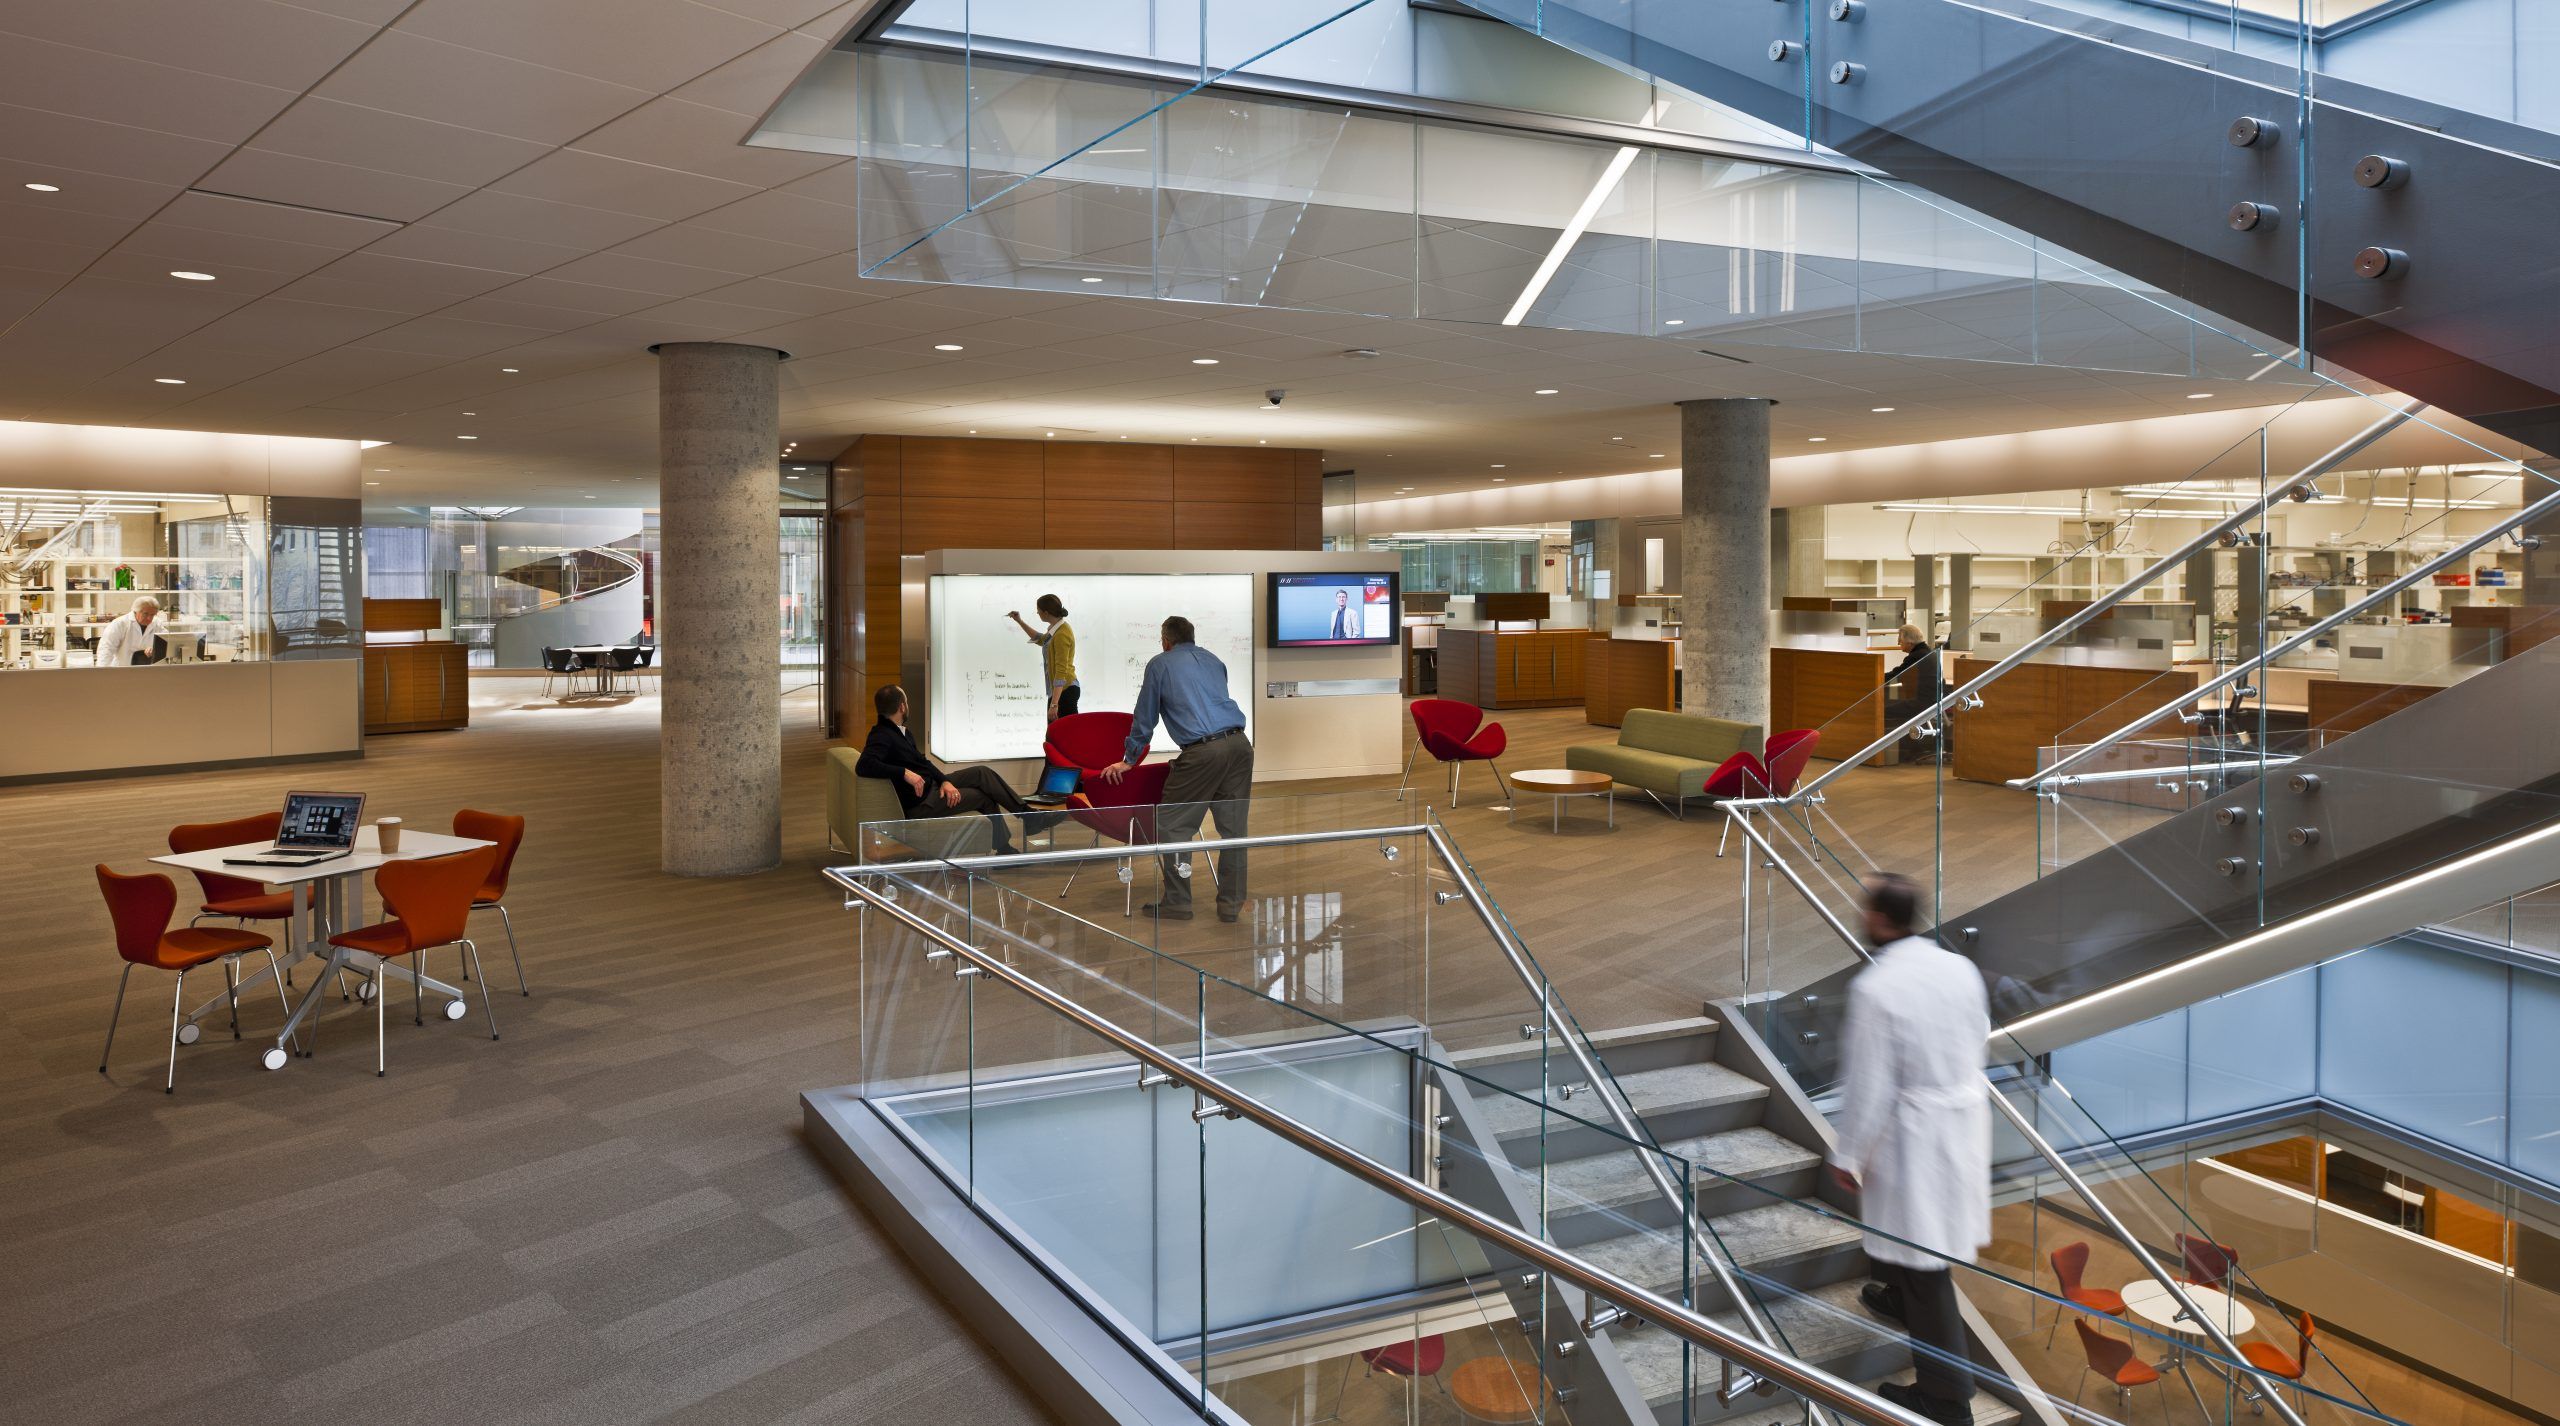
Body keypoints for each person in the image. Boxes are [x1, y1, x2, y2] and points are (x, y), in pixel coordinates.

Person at [1830, 872, 1991, 1426]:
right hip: (1959, 1120)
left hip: (1913, 1132)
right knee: (1919, 1246)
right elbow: (1979, 1036)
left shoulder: (1877, 987)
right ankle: (1896, 1294)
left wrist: (1848, 1154)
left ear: (1878, 918)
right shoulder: (1958, 966)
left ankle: (1946, 1399)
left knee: (1926, 1269)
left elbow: (1869, 1082)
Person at [1100, 615, 1251, 923]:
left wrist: (1129, 759)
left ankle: (1178, 902)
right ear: (1192, 638)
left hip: (1202, 752)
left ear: (1165, 641)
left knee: (1173, 826)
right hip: (1240, 746)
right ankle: (1231, 905)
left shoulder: (1161, 664)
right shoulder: (1214, 660)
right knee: (1234, 831)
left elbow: (1145, 716)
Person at [856, 685, 1058, 854]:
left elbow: (923, 763)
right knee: (983, 797)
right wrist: (904, 773)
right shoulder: (881, 735)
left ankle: (1028, 816)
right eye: (906, 703)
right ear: (902, 706)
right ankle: (1005, 847)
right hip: (923, 803)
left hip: (933, 786)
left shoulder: (902, 732)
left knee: (982, 772)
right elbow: (864, 765)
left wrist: (944, 780)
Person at [1005, 594, 1079, 721]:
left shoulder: (1061, 634)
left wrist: (1054, 704)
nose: (1037, 613)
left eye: (1038, 611)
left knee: (1062, 736)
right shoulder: (1056, 630)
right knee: (1056, 736)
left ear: (1046, 612)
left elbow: (1061, 671)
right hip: (1059, 692)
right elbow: (1041, 639)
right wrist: (1019, 621)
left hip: (1064, 692)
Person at [1883, 622, 1943, 752]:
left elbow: (1896, 674)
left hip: (1922, 702)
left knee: (1882, 711)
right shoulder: (1929, 652)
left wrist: (1875, 678)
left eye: (1900, 641)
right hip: (1934, 700)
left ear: (1909, 641)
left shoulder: (1916, 656)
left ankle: (1898, 750)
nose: (1899, 644)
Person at [97, 596, 161, 667]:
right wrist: (101, 672)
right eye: (145, 614)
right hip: (122, 670)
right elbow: (106, 649)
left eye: (152, 615)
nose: (149, 618)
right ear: (136, 611)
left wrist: (155, 649)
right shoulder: (120, 624)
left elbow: (168, 643)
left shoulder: (157, 624)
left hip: (148, 670)